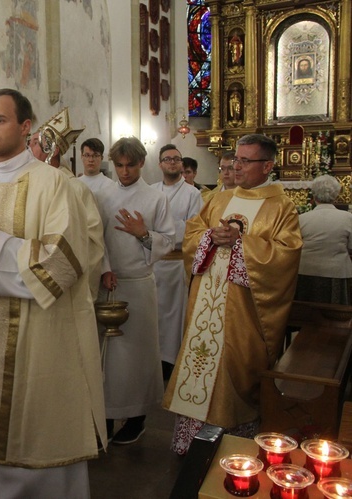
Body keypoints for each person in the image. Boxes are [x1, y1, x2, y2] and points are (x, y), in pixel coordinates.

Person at [0, 88, 105, 498]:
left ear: (25, 126)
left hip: (40, 341)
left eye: (0, 120)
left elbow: (64, 264)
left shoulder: (56, 185)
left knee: (35, 438)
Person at [163, 134, 302, 455]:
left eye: (245, 161)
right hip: (204, 308)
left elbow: (286, 254)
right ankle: (192, 445)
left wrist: (241, 243)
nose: (236, 166)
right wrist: (210, 237)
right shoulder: (218, 199)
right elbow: (192, 233)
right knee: (199, 366)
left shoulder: (282, 207)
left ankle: (234, 446)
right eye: (235, 159)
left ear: (267, 166)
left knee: (235, 368)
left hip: (245, 311)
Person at [95, 137, 176, 445]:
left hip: (139, 284)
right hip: (109, 282)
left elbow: (168, 241)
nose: (124, 172)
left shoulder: (156, 198)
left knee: (137, 356)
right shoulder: (103, 194)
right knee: (108, 357)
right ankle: (105, 416)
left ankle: (138, 418)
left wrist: (144, 234)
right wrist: (104, 268)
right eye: (119, 165)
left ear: (142, 163)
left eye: (130, 165)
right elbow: (96, 237)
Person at [28, 108, 105, 298]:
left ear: (52, 151)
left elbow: (92, 240)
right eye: (29, 143)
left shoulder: (76, 189)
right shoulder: (28, 184)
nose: (28, 150)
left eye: (35, 144)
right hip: (26, 277)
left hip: (64, 284)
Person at [151, 145, 203, 380]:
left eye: (176, 159)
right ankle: (153, 359)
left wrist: (160, 231)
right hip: (152, 263)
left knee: (173, 318)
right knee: (154, 315)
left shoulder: (193, 194)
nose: (172, 163)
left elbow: (194, 229)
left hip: (176, 264)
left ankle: (171, 362)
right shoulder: (151, 191)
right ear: (160, 163)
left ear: (182, 164)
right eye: (167, 159)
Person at [296, 175, 352, 304]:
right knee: (335, 316)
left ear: (313, 195)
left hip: (305, 271)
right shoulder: (347, 218)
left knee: (305, 315)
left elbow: (294, 246)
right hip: (337, 272)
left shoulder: (302, 218)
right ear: (336, 194)